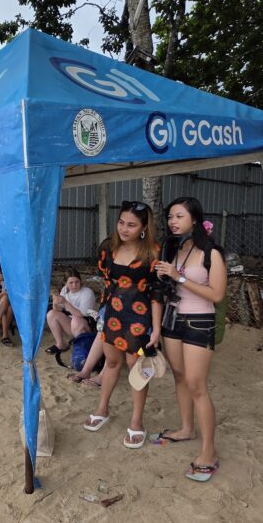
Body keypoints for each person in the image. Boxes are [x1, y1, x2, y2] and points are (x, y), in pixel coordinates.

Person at [153, 197, 227, 482]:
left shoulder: (212, 253)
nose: (173, 221)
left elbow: (217, 295)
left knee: (197, 386)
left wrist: (179, 278)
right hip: (173, 320)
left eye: (179, 216)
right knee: (180, 377)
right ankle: (186, 429)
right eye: (170, 216)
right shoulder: (174, 248)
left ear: (194, 219)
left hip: (199, 321)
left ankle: (209, 452)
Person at [82, 201, 163, 452]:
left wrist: (156, 328)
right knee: (112, 362)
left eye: (131, 224)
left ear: (143, 227)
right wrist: (104, 313)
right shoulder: (108, 248)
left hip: (139, 319)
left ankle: (136, 421)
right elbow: (107, 282)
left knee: (136, 367)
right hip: (112, 314)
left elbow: (157, 292)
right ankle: (102, 409)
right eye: (121, 222)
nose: (124, 229)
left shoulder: (154, 252)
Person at [45, 267, 97, 354]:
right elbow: (58, 310)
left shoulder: (87, 292)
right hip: (71, 324)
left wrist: (65, 303)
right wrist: (55, 303)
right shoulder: (65, 290)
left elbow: (81, 314)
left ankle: (81, 350)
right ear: (65, 283)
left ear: (80, 281)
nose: (74, 285)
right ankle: (60, 344)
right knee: (51, 314)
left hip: (87, 325)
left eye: (77, 282)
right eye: (71, 283)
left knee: (76, 320)